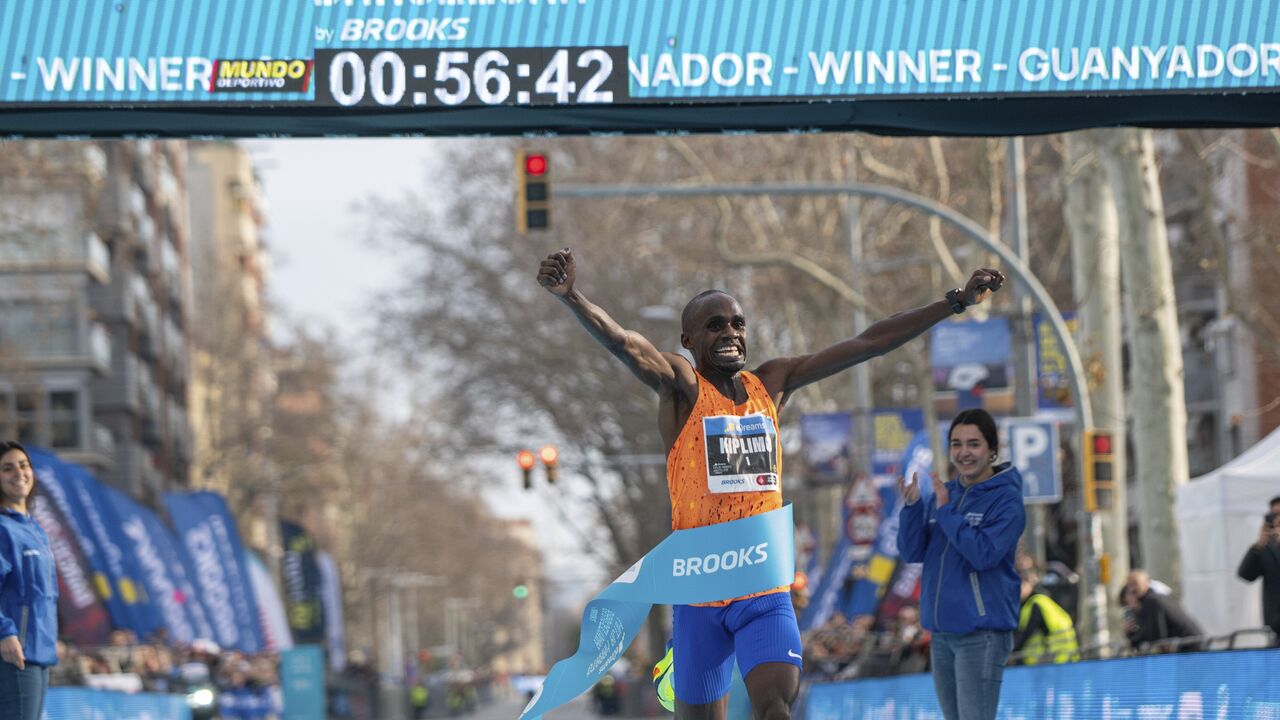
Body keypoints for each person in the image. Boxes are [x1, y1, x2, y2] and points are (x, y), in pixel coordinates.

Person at [538, 248, 1004, 720]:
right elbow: (625, 344)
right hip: (699, 594)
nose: (730, 334)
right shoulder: (683, 388)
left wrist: (956, 301)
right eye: (715, 325)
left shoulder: (773, 383)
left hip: (762, 586)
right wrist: (572, 296)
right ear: (688, 339)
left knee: (775, 706)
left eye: (737, 324)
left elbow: (870, 342)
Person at [896, 409, 1026, 720]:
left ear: (992, 450)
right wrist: (913, 507)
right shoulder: (945, 494)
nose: (963, 452)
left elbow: (984, 554)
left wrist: (946, 513)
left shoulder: (1006, 500)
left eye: (973, 444)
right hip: (941, 634)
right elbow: (913, 552)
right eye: (956, 444)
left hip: (980, 635)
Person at [0, 441, 58, 720]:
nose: (18, 473)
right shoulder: (2, 528)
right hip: (14, 652)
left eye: (23, 465)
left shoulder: (35, 529)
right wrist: (5, 632)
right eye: (7, 468)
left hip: (40, 651)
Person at [1122, 569, 1204, 653]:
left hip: (1190, 648)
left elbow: (1156, 636)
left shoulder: (1152, 600)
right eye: (1129, 585)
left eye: (1135, 584)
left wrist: (1133, 639)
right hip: (1191, 646)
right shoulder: (1155, 598)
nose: (1132, 589)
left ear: (1146, 582)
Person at [1012, 568, 1079, 665]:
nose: (1016, 592)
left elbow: (1026, 633)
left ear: (1028, 584)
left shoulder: (1035, 603)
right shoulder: (1043, 600)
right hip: (1065, 657)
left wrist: (1011, 651)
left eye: (1019, 587)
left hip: (1052, 659)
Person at [1237, 495, 1280, 643]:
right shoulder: (1268, 548)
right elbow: (1245, 574)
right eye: (1273, 515)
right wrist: (1259, 545)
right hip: (1276, 629)